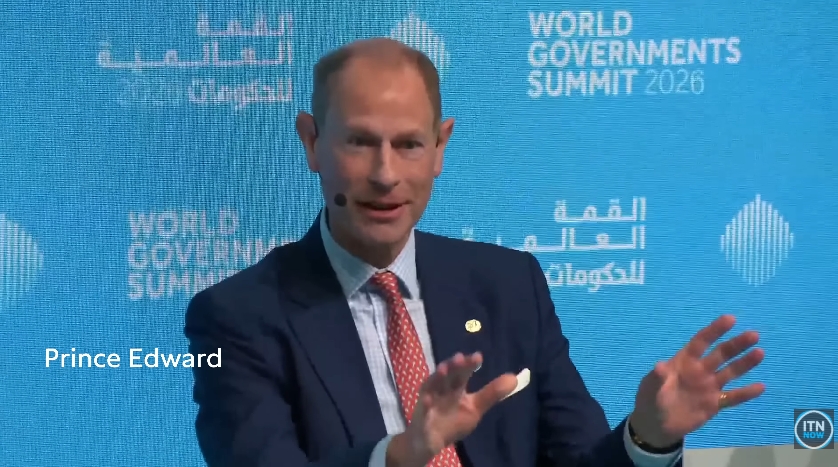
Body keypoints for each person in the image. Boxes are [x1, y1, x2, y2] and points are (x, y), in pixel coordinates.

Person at [184, 38, 765, 467]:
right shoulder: (239, 317)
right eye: (360, 142)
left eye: (410, 144)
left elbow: (580, 460)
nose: (386, 175)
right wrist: (402, 455)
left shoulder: (509, 284)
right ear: (312, 143)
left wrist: (648, 437)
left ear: (441, 148)